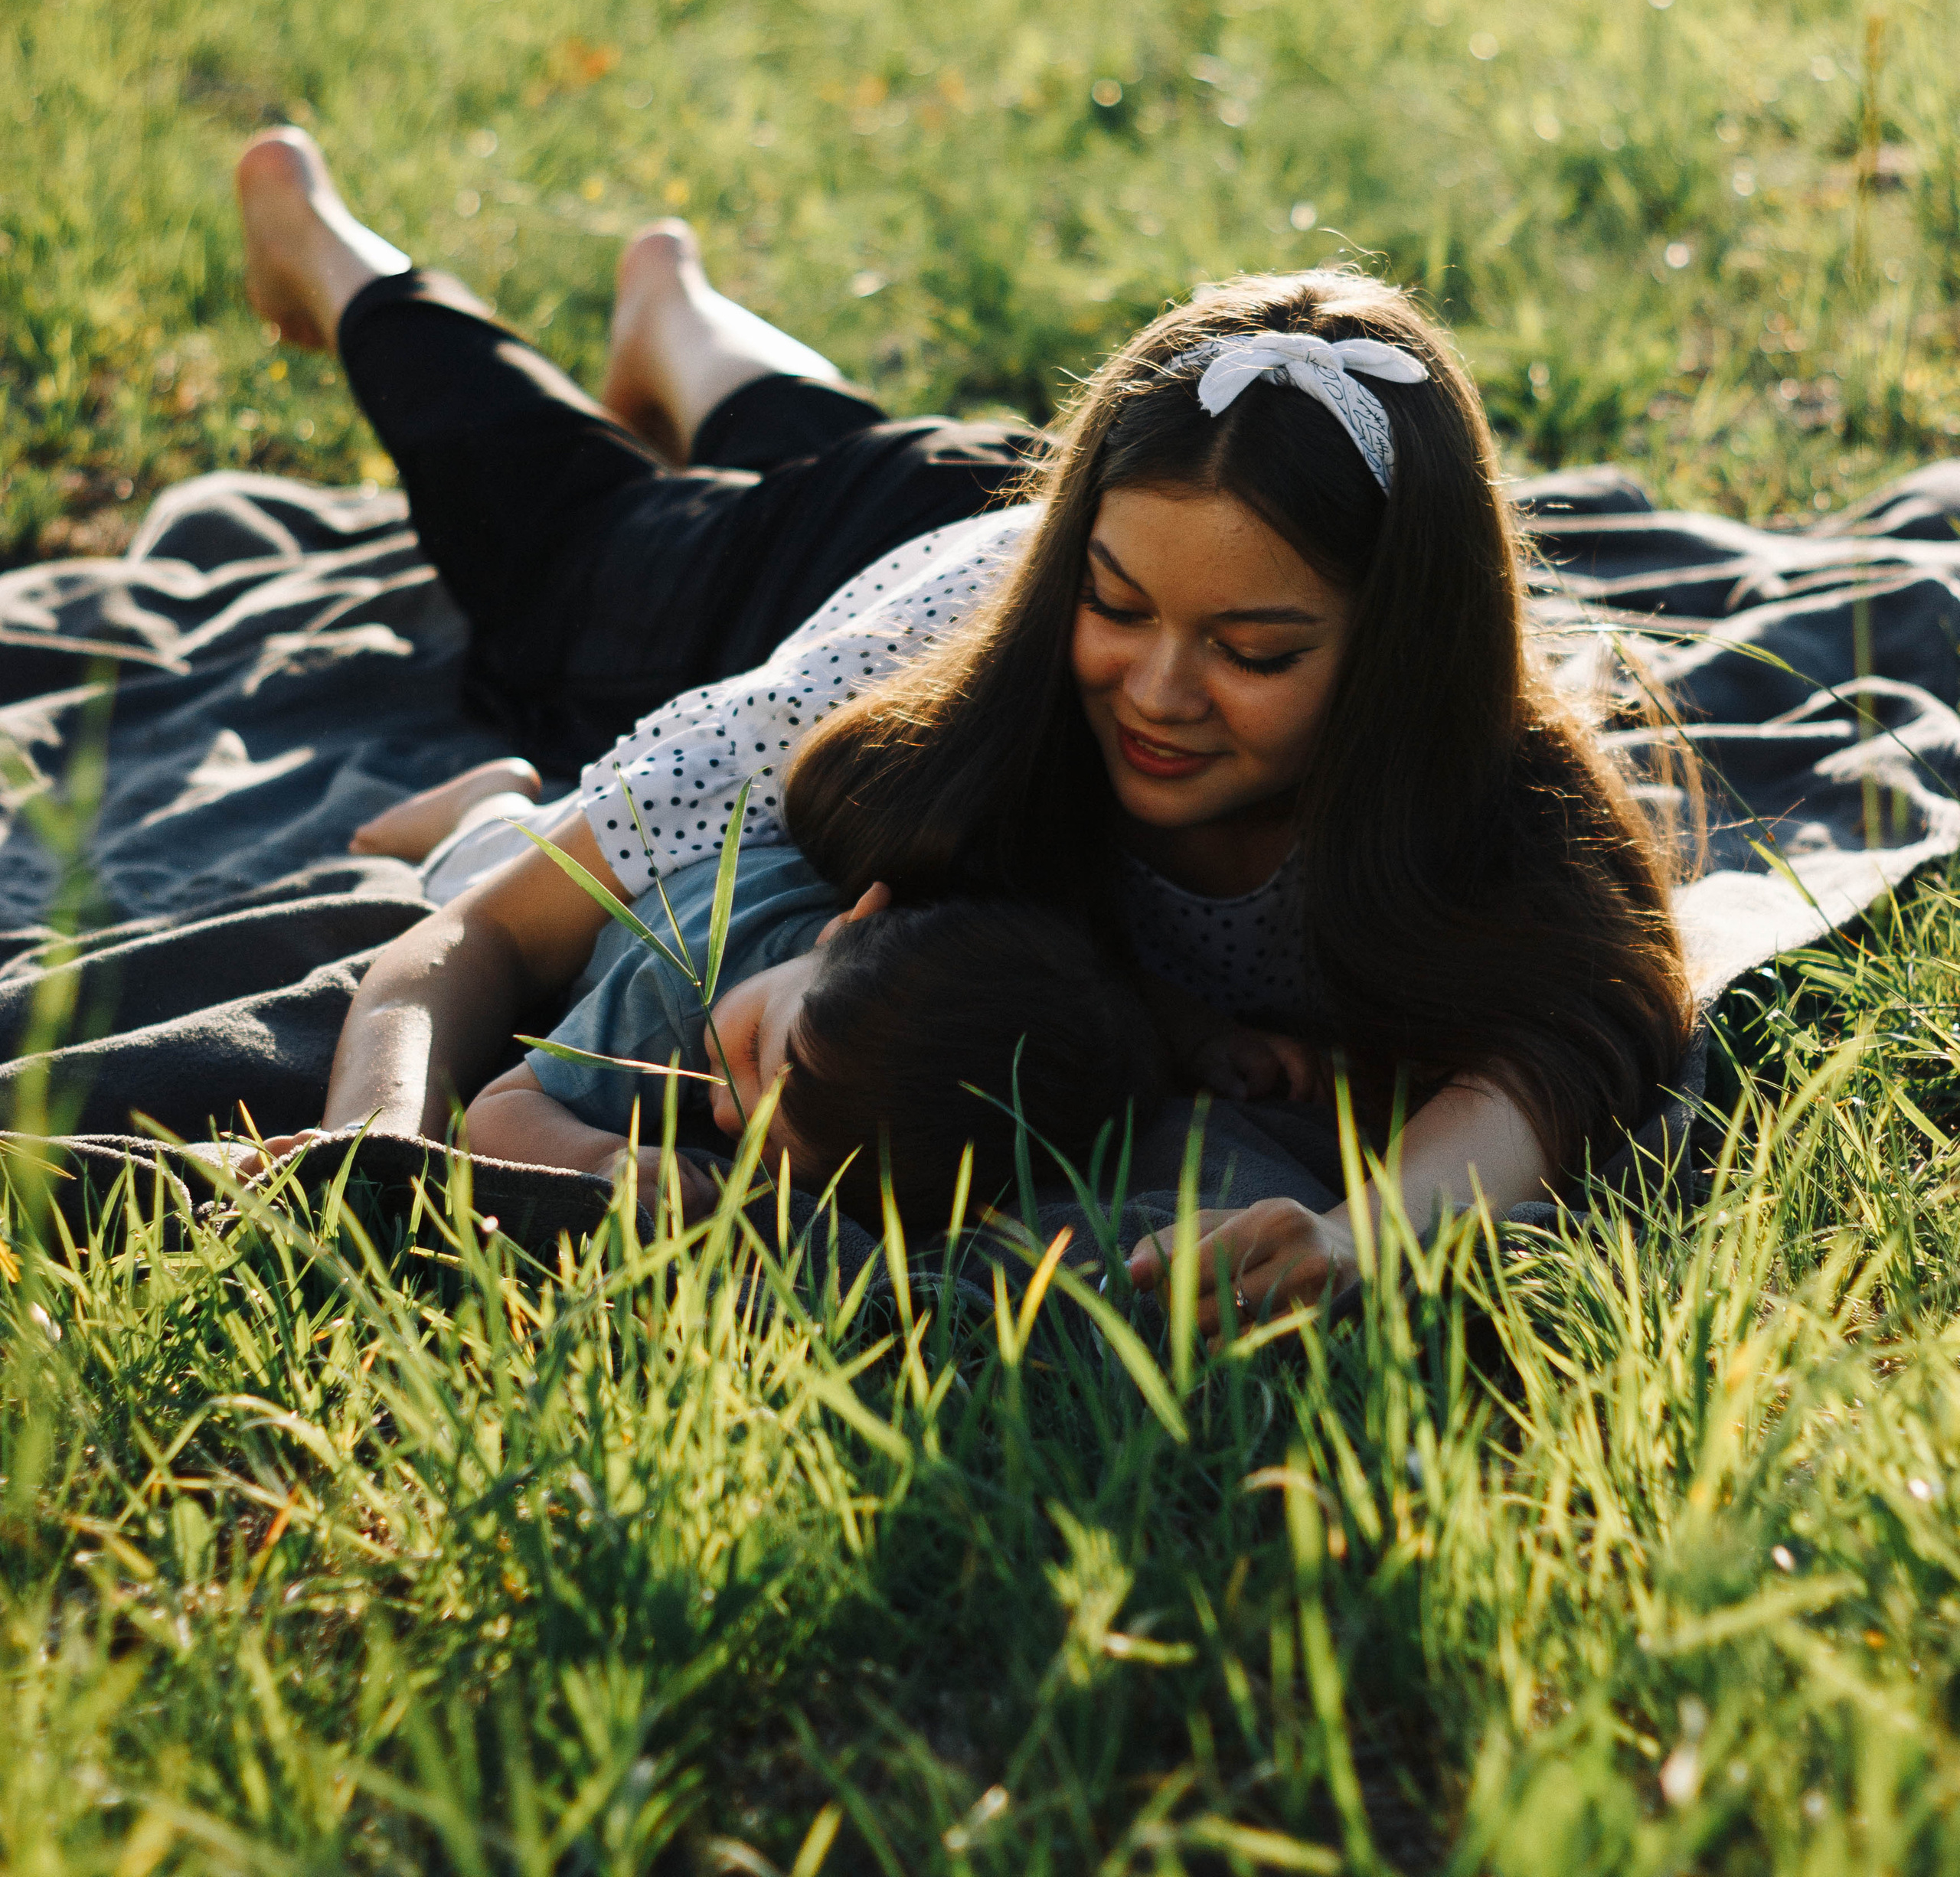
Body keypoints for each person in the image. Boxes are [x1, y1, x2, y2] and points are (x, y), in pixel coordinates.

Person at [237, 127, 1694, 1330]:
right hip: (865, 577)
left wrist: (1355, 1238)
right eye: (1118, 613)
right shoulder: (895, 705)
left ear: (1403, 652)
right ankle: (328, 247)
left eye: (1254, 651)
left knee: (837, 450)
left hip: (1021, 510)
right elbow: (478, 938)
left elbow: (1550, 1053)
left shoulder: (1486, 792)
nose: (1164, 693)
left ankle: (678, 324)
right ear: (1082, 563)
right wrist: (380, 1134)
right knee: (572, 554)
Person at [461, 842, 1163, 1238]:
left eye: (773, 1149)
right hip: (558, 883)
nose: (731, 1113)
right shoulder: (681, 984)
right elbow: (496, 1110)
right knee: (474, 851)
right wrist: (605, 1158)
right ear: (847, 921)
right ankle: (478, 804)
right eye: (753, 1050)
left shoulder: (831, 1018)